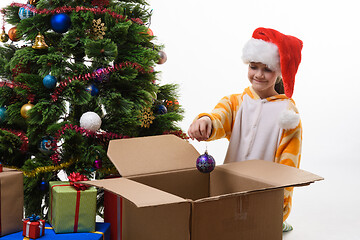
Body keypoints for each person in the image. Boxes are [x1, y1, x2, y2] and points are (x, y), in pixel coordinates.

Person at [188, 27, 303, 232]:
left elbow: (289, 165)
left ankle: (278, 222)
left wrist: (280, 207)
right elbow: (219, 117)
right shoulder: (236, 102)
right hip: (230, 191)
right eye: (253, 66)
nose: (258, 75)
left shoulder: (288, 114)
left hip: (265, 198)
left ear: (279, 72)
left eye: (267, 69)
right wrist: (205, 121)